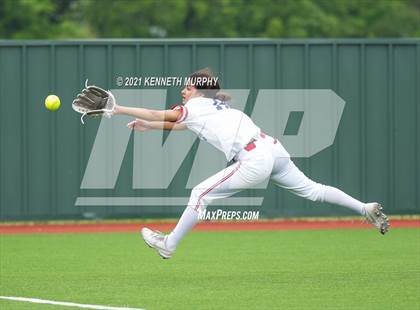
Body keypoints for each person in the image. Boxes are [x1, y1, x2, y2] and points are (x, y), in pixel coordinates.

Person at [113, 68, 389, 259]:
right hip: (272, 148)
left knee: (199, 193)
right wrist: (149, 127)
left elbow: (157, 112)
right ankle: (364, 207)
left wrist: (117, 109)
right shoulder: (211, 105)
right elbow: (184, 126)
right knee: (313, 190)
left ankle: (168, 245)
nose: (183, 90)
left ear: (197, 90)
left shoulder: (196, 106)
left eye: (187, 87)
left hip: (253, 159)